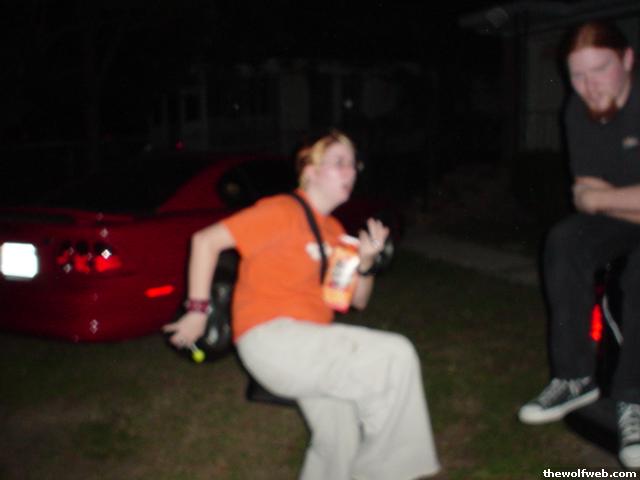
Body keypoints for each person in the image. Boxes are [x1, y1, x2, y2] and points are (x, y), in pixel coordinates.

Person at [163, 130, 441, 479]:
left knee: (339, 440)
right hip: (272, 338)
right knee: (395, 356)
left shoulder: (334, 231)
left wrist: (367, 263)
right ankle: (386, 472)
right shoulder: (280, 211)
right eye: (339, 162)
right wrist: (197, 311)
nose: (351, 171)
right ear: (310, 171)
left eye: (354, 164)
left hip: (311, 347)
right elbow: (206, 241)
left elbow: (356, 300)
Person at [517, 20, 640, 469]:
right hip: (621, 219)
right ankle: (574, 377)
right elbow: (583, 197)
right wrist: (614, 200)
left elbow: (593, 197)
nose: (590, 86)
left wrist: (604, 198)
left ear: (628, 60)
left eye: (601, 69)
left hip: (616, 213)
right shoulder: (577, 109)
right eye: (577, 75)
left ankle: (635, 401)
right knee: (565, 240)